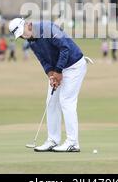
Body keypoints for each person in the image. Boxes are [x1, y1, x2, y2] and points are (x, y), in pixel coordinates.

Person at [8, 18, 88, 152]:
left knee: (66, 101)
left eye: (23, 33)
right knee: (51, 101)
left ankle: (73, 142)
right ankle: (53, 140)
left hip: (74, 66)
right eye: (20, 35)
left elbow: (65, 48)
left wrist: (58, 71)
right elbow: (43, 60)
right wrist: (51, 75)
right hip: (59, 68)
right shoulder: (31, 41)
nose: (23, 36)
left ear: (27, 24)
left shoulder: (47, 28)